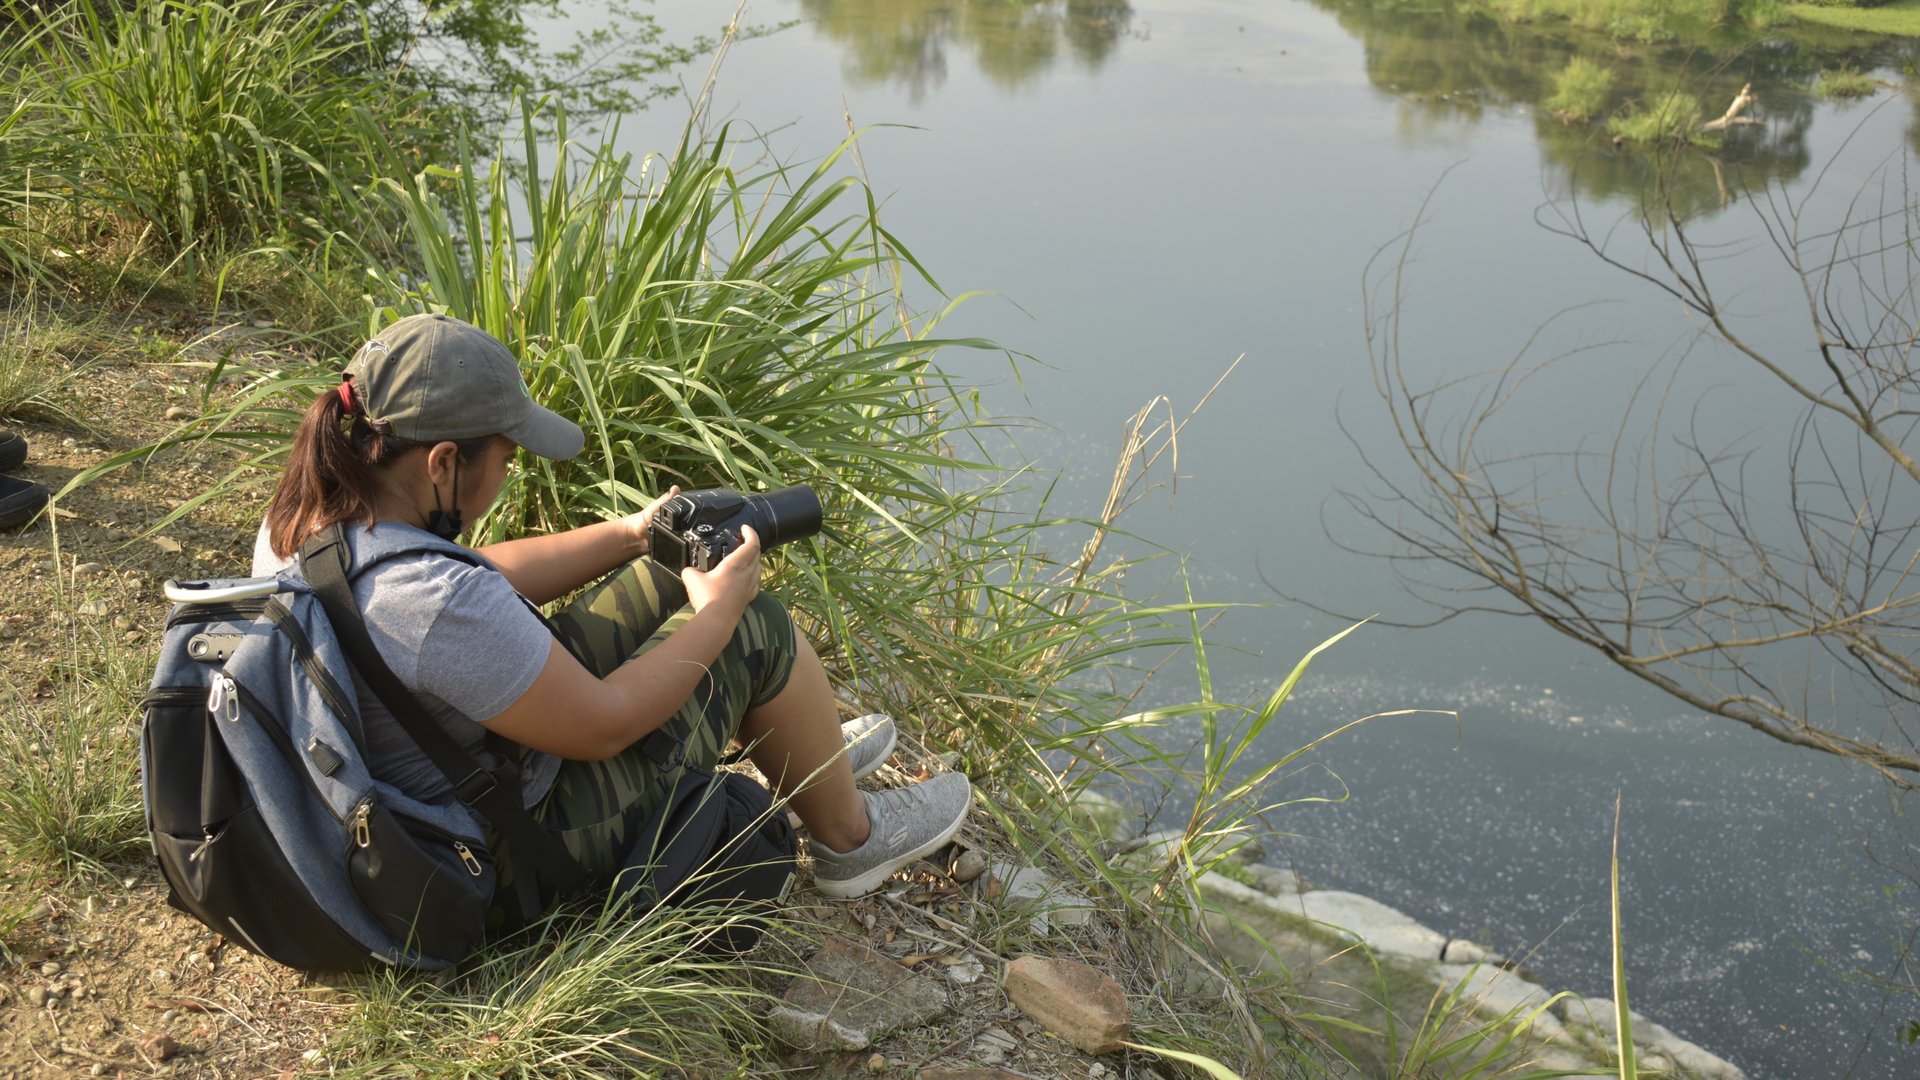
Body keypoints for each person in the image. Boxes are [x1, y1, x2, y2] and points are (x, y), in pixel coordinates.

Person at [250, 312, 971, 917]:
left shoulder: (310, 523)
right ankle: (851, 837)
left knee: (663, 572)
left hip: (419, 794)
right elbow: (605, 725)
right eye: (505, 455)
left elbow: (481, 575)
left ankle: (807, 753)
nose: (508, 473)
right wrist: (718, 614)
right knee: (754, 630)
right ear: (441, 463)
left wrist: (634, 532)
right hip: (500, 852)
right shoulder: (434, 605)